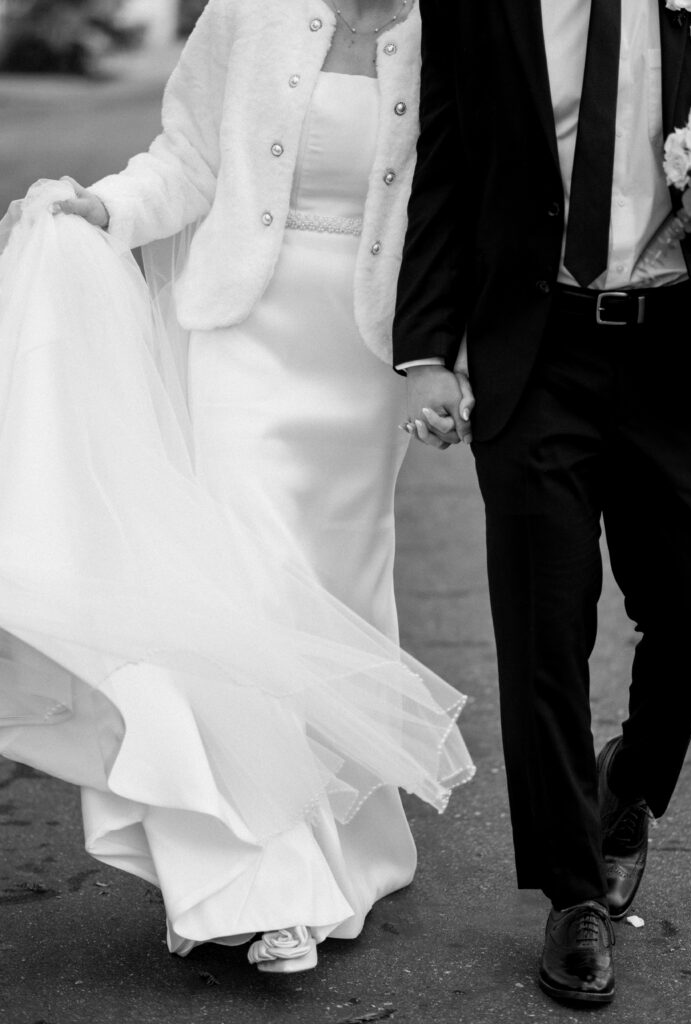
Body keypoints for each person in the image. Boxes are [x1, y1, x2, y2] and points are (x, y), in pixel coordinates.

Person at [0, 0, 475, 974]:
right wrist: (111, 209)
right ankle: (270, 886)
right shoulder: (249, 11)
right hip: (240, 337)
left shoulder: (464, 31)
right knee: (240, 596)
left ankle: (352, 848)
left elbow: (476, 204)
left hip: (360, 357)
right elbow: (186, 159)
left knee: (336, 600)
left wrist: (451, 357)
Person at [394, 0, 691, 1006]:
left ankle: (624, 788)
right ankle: (572, 894)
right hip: (537, 345)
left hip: (682, 345)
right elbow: (444, 162)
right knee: (542, 628)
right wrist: (425, 351)